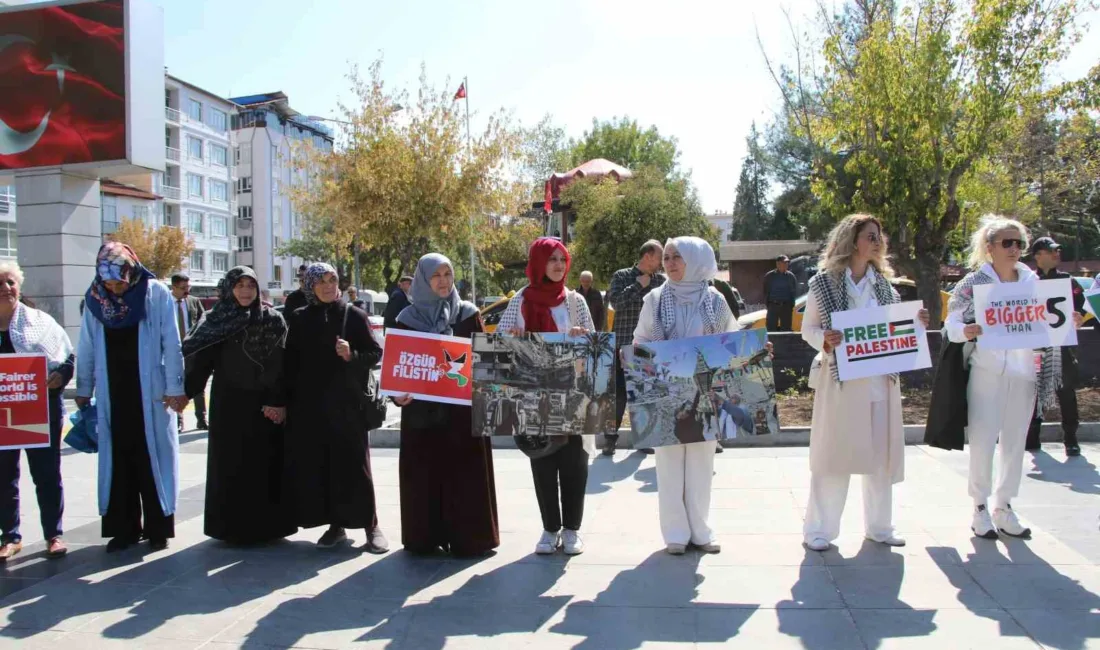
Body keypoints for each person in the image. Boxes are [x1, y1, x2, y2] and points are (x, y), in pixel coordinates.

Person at [947, 216, 1082, 539]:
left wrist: (1070, 321)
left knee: (1015, 443)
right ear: (989, 247)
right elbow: (952, 323)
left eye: (1019, 243)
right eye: (1007, 243)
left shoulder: (1034, 283)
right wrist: (964, 330)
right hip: (987, 371)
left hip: (1024, 373)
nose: (1014, 249)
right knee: (982, 440)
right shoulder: (972, 284)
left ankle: (1004, 506)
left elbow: (1053, 320)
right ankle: (979, 507)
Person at [800, 215, 929, 552]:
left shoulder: (886, 286)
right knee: (834, 457)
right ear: (852, 240)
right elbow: (808, 329)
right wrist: (824, 340)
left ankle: (880, 527)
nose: (877, 241)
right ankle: (819, 530)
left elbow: (896, 331)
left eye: (879, 236)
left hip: (881, 382)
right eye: (870, 236)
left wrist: (915, 323)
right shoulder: (823, 284)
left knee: (881, 457)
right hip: (841, 383)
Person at [76, 242, 188, 552]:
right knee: (119, 460)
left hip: (151, 394)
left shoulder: (154, 293)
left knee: (152, 459)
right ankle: (123, 529)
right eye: (109, 282)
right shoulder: (96, 299)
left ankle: (158, 527)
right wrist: (84, 388)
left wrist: (174, 388)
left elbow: (171, 343)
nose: (115, 288)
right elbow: (85, 344)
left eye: (119, 281)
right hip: (114, 392)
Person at [632, 237, 739, 555]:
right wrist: (651, 359)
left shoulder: (715, 300)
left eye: (678, 257)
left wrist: (756, 352)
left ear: (696, 260)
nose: (670, 263)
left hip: (705, 394)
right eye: (666, 257)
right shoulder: (653, 299)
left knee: (701, 464)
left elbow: (731, 340)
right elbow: (639, 340)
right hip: (666, 394)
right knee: (669, 464)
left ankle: (701, 532)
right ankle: (676, 534)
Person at [390, 253, 499, 556]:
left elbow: (486, 365)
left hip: (462, 416)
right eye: (435, 275)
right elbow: (396, 366)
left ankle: (470, 538)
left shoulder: (467, 315)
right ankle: (425, 536)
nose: (442, 281)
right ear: (423, 279)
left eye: (447, 274)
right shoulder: (406, 320)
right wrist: (396, 395)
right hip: (422, 417)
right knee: (424, 476)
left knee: (464, 476)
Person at [182, 267, 296, 545]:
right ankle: (230, 528)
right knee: (230, 466)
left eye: (250, 286)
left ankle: (268, 527)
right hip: (228, 405)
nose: (245, 291)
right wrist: (184, 393)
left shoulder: (272, 319)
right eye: (240, 285)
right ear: (229, 287)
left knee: (264, 465)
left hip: (264, 406)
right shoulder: (216, 319)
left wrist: (277, 401)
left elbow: (283, 366)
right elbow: (201, 361)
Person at [498, 237, 594, 556]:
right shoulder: (521, 300)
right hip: (533, 394)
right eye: (551, 259)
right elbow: (501, 341)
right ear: (538, 263)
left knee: (573, 461)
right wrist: (512, 338)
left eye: (562, 259)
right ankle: (549, 528)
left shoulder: (574, 301)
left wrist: (583, 337)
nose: (558, 265)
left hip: (572, 393)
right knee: (542, 460)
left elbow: (594, 344)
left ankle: (572, 530)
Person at [284, 263, 388, 552]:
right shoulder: (300, 317)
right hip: (313, 408)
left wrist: (350, 354)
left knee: (356, 467)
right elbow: (290, 362)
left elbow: (375, 353)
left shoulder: (353, 315)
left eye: (333, 280)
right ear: (310, 286)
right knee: (325, 467)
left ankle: (371, 526)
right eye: (322, 282)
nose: (329, 286)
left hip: (348, 405)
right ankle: (336, 526)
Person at [0, 262, 75, 562]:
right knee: (4, 477)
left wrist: (60, 377)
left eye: (10, 282)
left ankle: (53, 534)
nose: (6, 288)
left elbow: (67, 358)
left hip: (40, 411)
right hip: (3, 414)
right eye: (0, 283)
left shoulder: (40, 322)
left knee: (46, 474)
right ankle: (10, 536)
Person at [606, 240, 666, 456]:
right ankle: (610, 441)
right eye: (660, 257)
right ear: (648, 255)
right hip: (622, 345)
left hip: (648, 346)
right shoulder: (621, 276)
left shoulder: (661, 281)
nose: (662, 263)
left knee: (644, 396)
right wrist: (638, 285)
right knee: (619, 395)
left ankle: (643, 439)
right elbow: (616, 303)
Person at [1026, 237, 1084, 456]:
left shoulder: (1068, 281)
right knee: (1035, 391)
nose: (1056, 254)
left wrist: (1079, 318)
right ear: (1038, 255)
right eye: (1051, 251)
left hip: (1061, 345)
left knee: (1066, 392)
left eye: (1057, 250)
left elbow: (1081, 309)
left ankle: (1071, 438)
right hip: (1035, 346)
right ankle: (1032, 438)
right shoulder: (1026, 281)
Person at [171, 273, 208, 432]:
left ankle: (201, 418)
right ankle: (179, 420)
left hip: (193, 350)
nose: (187, 291)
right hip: (173, 351)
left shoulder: (194, 301)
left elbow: (203, 322)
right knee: (177, 385)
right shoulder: (165, 303)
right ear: (173, 287)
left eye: (188, 287)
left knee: (198, 384)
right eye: (183, 288)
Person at [764, 255, 798, 332]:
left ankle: (785, 344)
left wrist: (791, 305)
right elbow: (765, 291)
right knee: (771, 329)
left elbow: (793, 291)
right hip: (773, 306)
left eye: (787, 263)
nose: (786, 264)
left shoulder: (791, 276)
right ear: (778, 264)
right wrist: (769, 305)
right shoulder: (769, 276)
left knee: (786, 329)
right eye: (784, 263)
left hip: (786, 307)